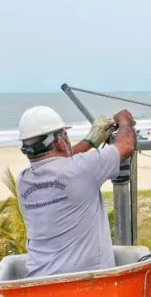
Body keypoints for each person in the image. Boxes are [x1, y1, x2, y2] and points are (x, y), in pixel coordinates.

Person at [16, 106, 137, 278]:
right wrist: (124, 121)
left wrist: (90, 141)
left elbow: (59, 163)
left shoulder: (23, 182)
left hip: (40, 283)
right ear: (60, 142)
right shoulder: (81, 169)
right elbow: (126, 145)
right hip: (88, 283)